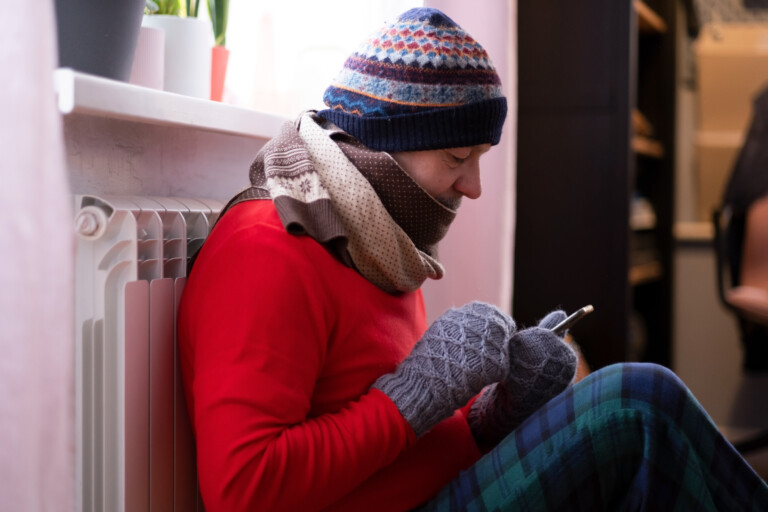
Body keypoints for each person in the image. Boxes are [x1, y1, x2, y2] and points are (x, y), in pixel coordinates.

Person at [177, 7, 768, 511]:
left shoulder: (378, 236)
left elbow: (400, 436)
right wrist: (412, 397)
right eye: (459, 155)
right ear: (385, 147)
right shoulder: (270, 247)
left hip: (426, 491)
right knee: (638, 401)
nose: (474, 186)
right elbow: (241, 490)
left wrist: (492, 415)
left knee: (635, 429)